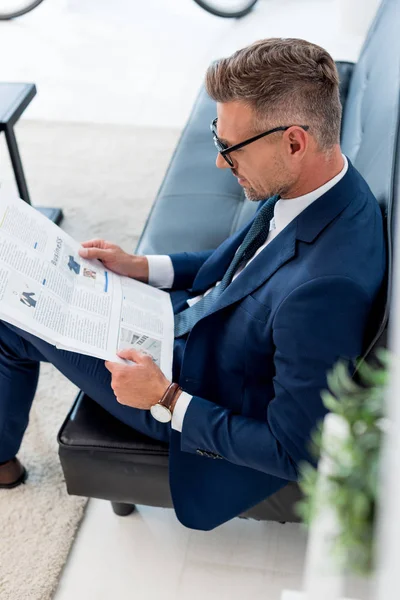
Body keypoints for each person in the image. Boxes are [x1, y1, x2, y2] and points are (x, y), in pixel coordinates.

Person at [0, 38, 386, 530]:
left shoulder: (325, 291)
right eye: (217, 137)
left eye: (232, 148)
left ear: (294, 141)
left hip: (189, 387)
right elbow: (246, 261)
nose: (222, 163)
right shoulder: (320, 184)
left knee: (10, 316)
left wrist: (164, 397)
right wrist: (143, 266)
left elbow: (291, 451)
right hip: (186, 321)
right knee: (32, 288)